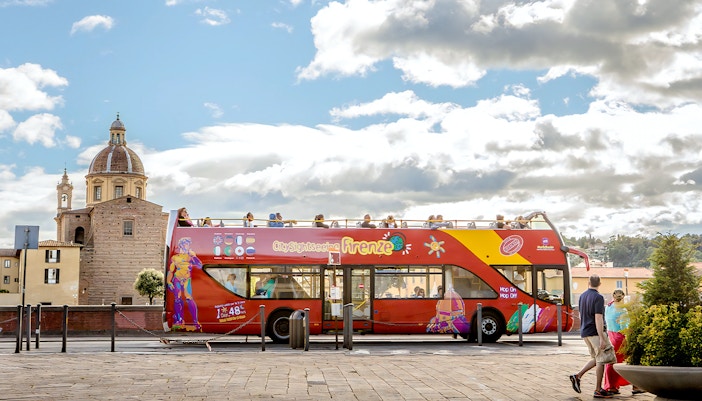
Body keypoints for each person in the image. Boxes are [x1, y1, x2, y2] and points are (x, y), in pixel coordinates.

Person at [569, 274, 613, 398]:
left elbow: (582, 314)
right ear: (600, 284)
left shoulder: (582, 296)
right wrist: (602, 337)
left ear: (588, 283)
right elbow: (598, 317)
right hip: (595, 332)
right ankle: (598, 389)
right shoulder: (598, 297)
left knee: (597, 358)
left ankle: (577, 377)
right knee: (602, 359)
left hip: (585, 332)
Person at [603, 290, 644, 395]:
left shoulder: (608, 307)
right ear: (623, 298)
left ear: (613, 296)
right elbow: (624, 328)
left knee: (611, 362)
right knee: (630, 361)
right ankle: (635, 386)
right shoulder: (623, 310)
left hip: (611, 335)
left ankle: (611, 386)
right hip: (620, 338)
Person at [166, 237, 202, 331]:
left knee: (189, 298)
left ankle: (195, 321)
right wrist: (168, 281)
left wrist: (194, 256)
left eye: (188, 244)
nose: (188, 245)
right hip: (177, 279)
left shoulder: (190, 256)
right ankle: (179, 320)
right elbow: (171, 270)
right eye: (186, 243)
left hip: (187, 279)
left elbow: (200, 265)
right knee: (177, 299)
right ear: (181, 245)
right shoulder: (175, 258)